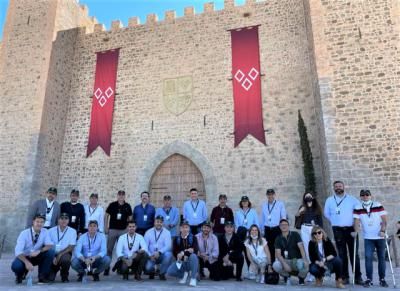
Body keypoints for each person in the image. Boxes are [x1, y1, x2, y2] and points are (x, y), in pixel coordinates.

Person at [324, 180, 363, 285]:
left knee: (354, 254)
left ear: (344, 187)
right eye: (336, 186)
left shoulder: (352, 199)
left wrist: (357, 227)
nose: (338, 187)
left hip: (351, 229)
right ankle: (344, 277)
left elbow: (359, 212)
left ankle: (358, 277)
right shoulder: (330, 200)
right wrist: (335, 221)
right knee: (342, 255)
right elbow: (326, 213)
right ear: (334, 188)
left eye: (340, 186)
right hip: (337, 230)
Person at [353, 189, 389, 288]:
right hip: (368, 237)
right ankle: (369, 279)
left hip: (379, 236)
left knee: (381, 258)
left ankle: (382, 279)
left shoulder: (377, 204)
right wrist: (356, 230)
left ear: (370, 196)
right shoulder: (358, 207)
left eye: (367, 195)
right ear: (360, 197)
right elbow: (356, 220)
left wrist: (383, 230)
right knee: (368, 258)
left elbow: (385, 220)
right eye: (363, 195)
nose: (365, 196)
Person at [12, 214, 55, 284]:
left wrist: (39, 251)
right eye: (37, 221)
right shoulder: (24, 233)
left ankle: (42, 277)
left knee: (50, 252)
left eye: (42, 222)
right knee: (16, 266)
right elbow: (18, 251)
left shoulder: (45, 231)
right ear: (33, 222)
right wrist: (27, 262)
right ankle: (20, 275)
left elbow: (49, 245)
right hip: (25, 256)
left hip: (37, 256)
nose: (39, 224)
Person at [294, 192, 323, 281]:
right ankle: (310, 272)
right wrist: (300, 211)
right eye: (306, 197)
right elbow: (296, 216)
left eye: (310, 196)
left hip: (314, 228)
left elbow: (320, 220)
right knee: (307, 249)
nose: (308, 198)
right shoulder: (302, 207)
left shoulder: (317, 207)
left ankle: (318, 271)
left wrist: (320, 231)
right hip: (304, 228)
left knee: (316, 248)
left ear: (313, 197)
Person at [104, 190, 132, 275]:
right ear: (117, 196)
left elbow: (130, 218)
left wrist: (128, 228)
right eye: (119, 195)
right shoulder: (112, 205)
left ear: (124, 196)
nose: (121, 196)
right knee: (109, 249)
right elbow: (106, 215)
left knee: (122, 250)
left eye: (122, 195)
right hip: (112, 229)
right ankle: (106, 267)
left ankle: (120, 268)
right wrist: (106, 226)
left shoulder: (127, 206)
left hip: (123, 230)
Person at [272, 218, 309, 285]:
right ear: (279, 227)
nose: (284, 226)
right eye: (282, 225)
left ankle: (301, 278)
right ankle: (286, 276)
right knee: (276, 265)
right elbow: (278, 254)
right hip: (286, 260)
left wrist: (304, 259)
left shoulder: (295, 234)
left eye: (285, 224)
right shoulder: (278, 238)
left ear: (288, 226)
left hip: (296, 260)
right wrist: (284, 264)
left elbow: (301, 247)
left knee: (305, 265)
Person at [167, 220, 199, 287]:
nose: (185, 229)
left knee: (193, 256)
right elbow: (174, 251)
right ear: (180, 228)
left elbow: (195, 250)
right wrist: (179, 255)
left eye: (186, 227)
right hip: (181, 261)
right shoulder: (176, 239)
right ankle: (184, 274)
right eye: (183, 227)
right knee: (170, 271)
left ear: (189, 228)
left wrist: (185, 253)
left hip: (190, 261)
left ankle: (193, 279)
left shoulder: (193, 238)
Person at [47, 213, 77, 282]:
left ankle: (64, 275)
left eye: (66, 218)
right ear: (58, 220)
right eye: (61, 218)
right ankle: (54, 270)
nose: (64, 220)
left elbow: (71, 246)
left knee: (66, 259)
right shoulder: (50, 231)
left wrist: (59, 254)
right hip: (52, 253)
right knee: (50, 279)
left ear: (68, 220)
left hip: (65, 253)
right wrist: (53, 256)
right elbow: (48, 245)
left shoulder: (72, 231)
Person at [261, 188, 286, 263]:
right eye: (268, 194)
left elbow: (283, 216)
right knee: (269, 247)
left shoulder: (280, 204)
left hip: (277, 229)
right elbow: (262, 218)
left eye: (271, 194)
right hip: (267, 229)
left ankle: (281, 264)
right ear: (267, 195)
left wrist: (283, 227)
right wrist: (262, 230)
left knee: (279, 247)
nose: (270, 196)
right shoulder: (264, 205)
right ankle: (272, 265)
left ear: (274, 195)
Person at [144, 215, 173, 280]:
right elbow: (145, 246)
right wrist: (150, 256)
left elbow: (168, 246)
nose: (159, 223)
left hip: (161, 255)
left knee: (168, 254)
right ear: (154, 222)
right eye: (157, 222)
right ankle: (152, 272)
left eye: (160, 222)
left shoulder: (167, 232)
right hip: (151, 256)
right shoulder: (148, 232)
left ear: (163, 223)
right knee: (148, 268)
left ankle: (162, 273)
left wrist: (159, 252)